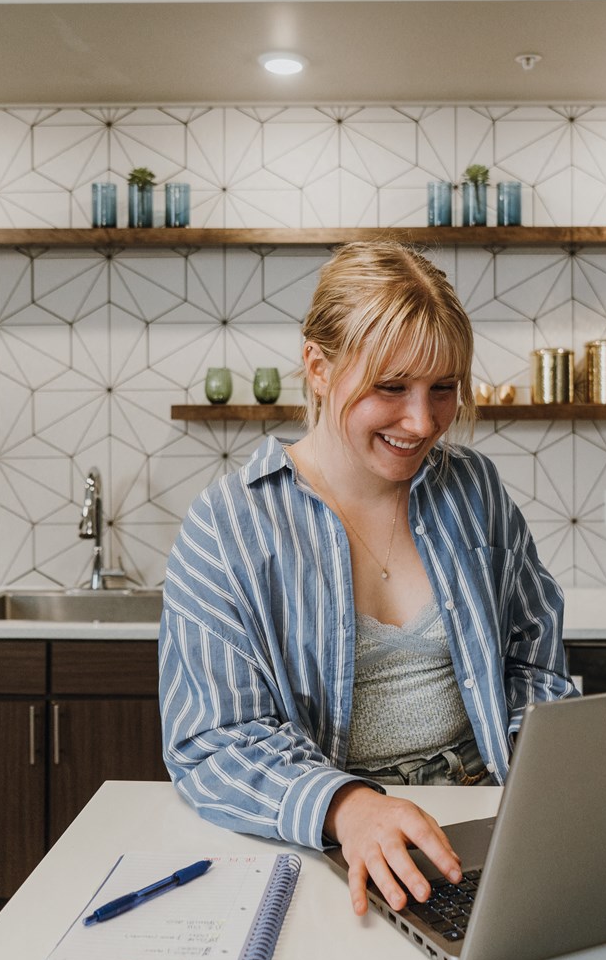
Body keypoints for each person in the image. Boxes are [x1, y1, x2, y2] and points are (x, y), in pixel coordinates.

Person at [159, 240, 575, 917]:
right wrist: (348, 808)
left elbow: (535, 655)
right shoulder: (228, 526)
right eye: (391, 388)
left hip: (486, 815)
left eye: (443, 389)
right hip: (328, 838)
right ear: (318, 367)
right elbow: (212, 742)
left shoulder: (475, 491)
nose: (422, 422)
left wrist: (537, 781)